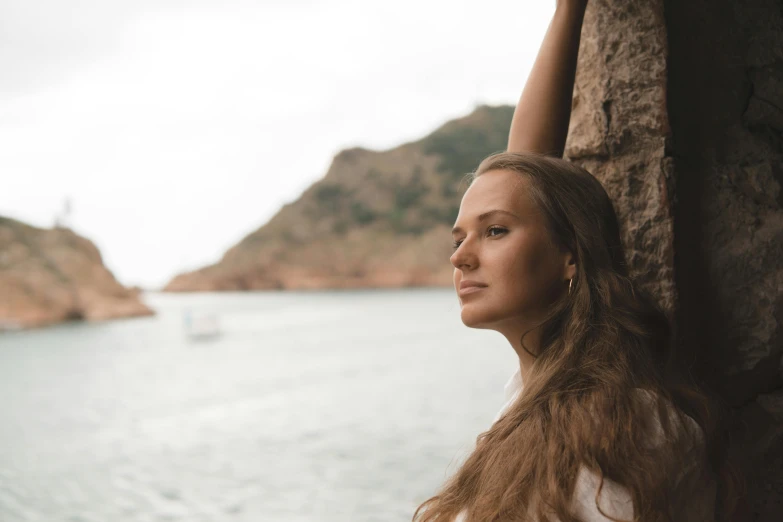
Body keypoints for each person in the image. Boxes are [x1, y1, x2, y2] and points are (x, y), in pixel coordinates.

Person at [413, 1, 728, 521]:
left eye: (493, 232)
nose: (461, 257)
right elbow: (530, 179)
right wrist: (568, 11)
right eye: (458, 238)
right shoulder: (540, 394)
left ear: (570, 257)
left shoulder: (628, 433)